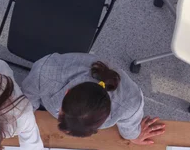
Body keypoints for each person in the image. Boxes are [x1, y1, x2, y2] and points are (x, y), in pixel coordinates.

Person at [21, 53, 165, 144]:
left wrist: (133, 135)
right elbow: (26, 103)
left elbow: (130, 127)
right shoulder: (45, 73)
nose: (65, 133)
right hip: (63, 66)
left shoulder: (130, 103)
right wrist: (22, 120)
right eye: (60, 114)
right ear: (66, 93)